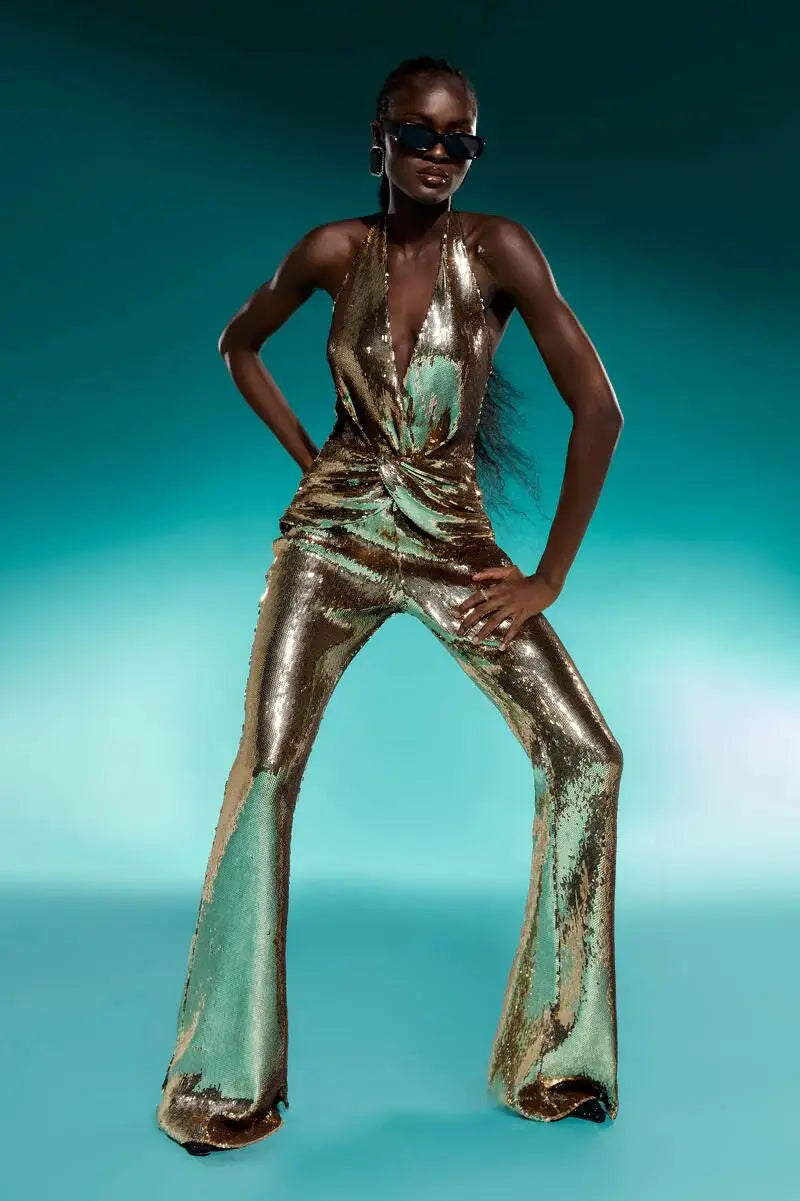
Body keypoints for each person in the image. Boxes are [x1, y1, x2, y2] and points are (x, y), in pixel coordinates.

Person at [156, 55, 625, 1155]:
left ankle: (556, 1059)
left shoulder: (499, 249)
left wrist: (547, 576)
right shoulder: (331, 250)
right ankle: (223, 1081)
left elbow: (598, 409)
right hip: (330, 541)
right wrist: (310, 461)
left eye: (460, 139)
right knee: (264, 770)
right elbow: (238, 344)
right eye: (417, 133)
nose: (438, 155)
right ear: (378, 138)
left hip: (452, 544)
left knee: (587, 756)